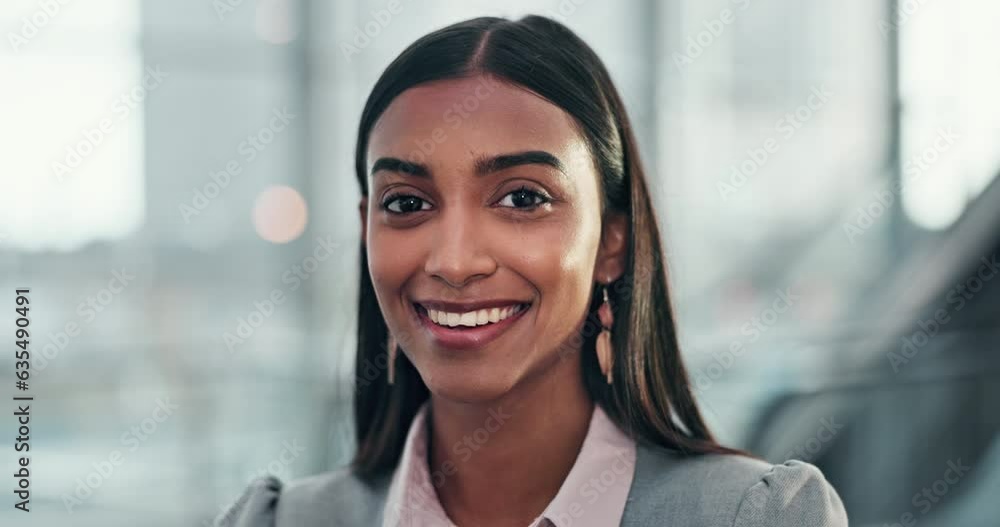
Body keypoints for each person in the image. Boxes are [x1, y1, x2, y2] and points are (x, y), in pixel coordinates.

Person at [214, 14, 848, 527]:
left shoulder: (749, 518)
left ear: (612, 242)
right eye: (407, 204)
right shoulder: (282, 521)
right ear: (367, 229)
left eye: (523, 198)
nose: (456, 263)